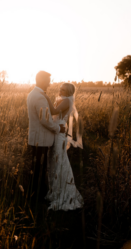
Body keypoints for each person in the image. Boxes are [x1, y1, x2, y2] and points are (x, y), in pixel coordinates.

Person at [40, 83, 84, 211]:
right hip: (57, 131)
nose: (60, 91)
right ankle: (55, 192)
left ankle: (64, 194)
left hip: (59, 135)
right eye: (60, 88)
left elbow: (54, 111)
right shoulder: (63, 100)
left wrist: (46, 97)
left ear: (69, 91)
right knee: (55, 161)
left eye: (63, 89)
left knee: (59, 161)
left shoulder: (67, 100)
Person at [26, 71, 66, 200]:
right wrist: (58, 128)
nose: (50, 83)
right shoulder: (39, 97)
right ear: (42, 80)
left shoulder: (33, 94)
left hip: (36, 138)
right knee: (39, 170)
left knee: (37, 169)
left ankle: (35, 194)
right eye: (48, 80)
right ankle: (37, 197)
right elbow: (45, 119)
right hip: (41, 140)